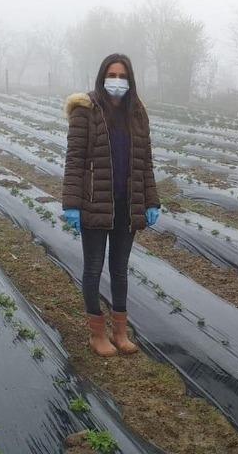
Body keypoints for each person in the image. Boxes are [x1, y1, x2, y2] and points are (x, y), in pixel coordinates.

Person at [62, 53, 161, 357]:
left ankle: (120, 332)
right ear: (102, 77)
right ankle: (97, 334)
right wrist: (72, 204)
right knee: (93, 268)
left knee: (119, 270)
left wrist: (151, 201)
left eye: (122, 76)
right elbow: (75, 160)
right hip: (95, 203)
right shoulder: (86, 110)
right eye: (112, 75)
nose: (116, 81)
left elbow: (145, 163)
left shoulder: (137, 114)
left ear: (130, 80)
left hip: (126, 205)